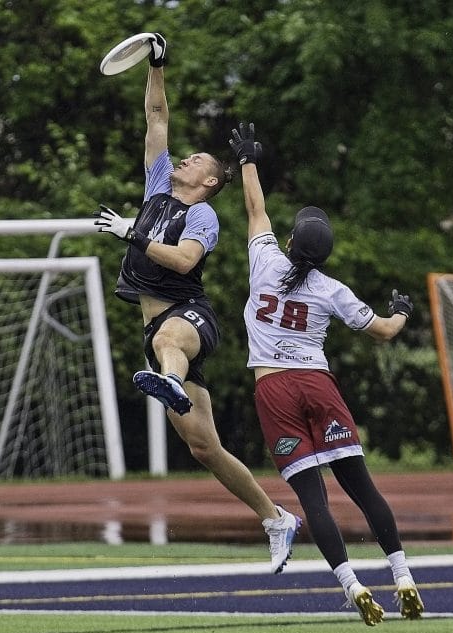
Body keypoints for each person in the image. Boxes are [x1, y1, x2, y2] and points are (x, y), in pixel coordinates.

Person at [93, 36, 301, 574]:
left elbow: (184, 263)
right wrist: (157, 64)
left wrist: (130, 233)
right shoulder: (158, 184)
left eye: (197, 160)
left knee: (167, 342)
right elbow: (156, 115)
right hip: (156, 324)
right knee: (205, 449)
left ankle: (167, 378)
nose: (183, 158)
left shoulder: (202, 217)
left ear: (208, 182)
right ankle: (276, 517)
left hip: (189, 318)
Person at [228, 122, 424, 625]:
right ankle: (402, 575)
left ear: (291, 241)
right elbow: (381, 331)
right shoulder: (331, 290)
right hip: (318, 385)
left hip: (274, 389)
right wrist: (401, 312)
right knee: (362, 488)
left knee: (312, 498)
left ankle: (352, 585)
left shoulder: (265, 262)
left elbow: (255, 211)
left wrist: (249, 159)